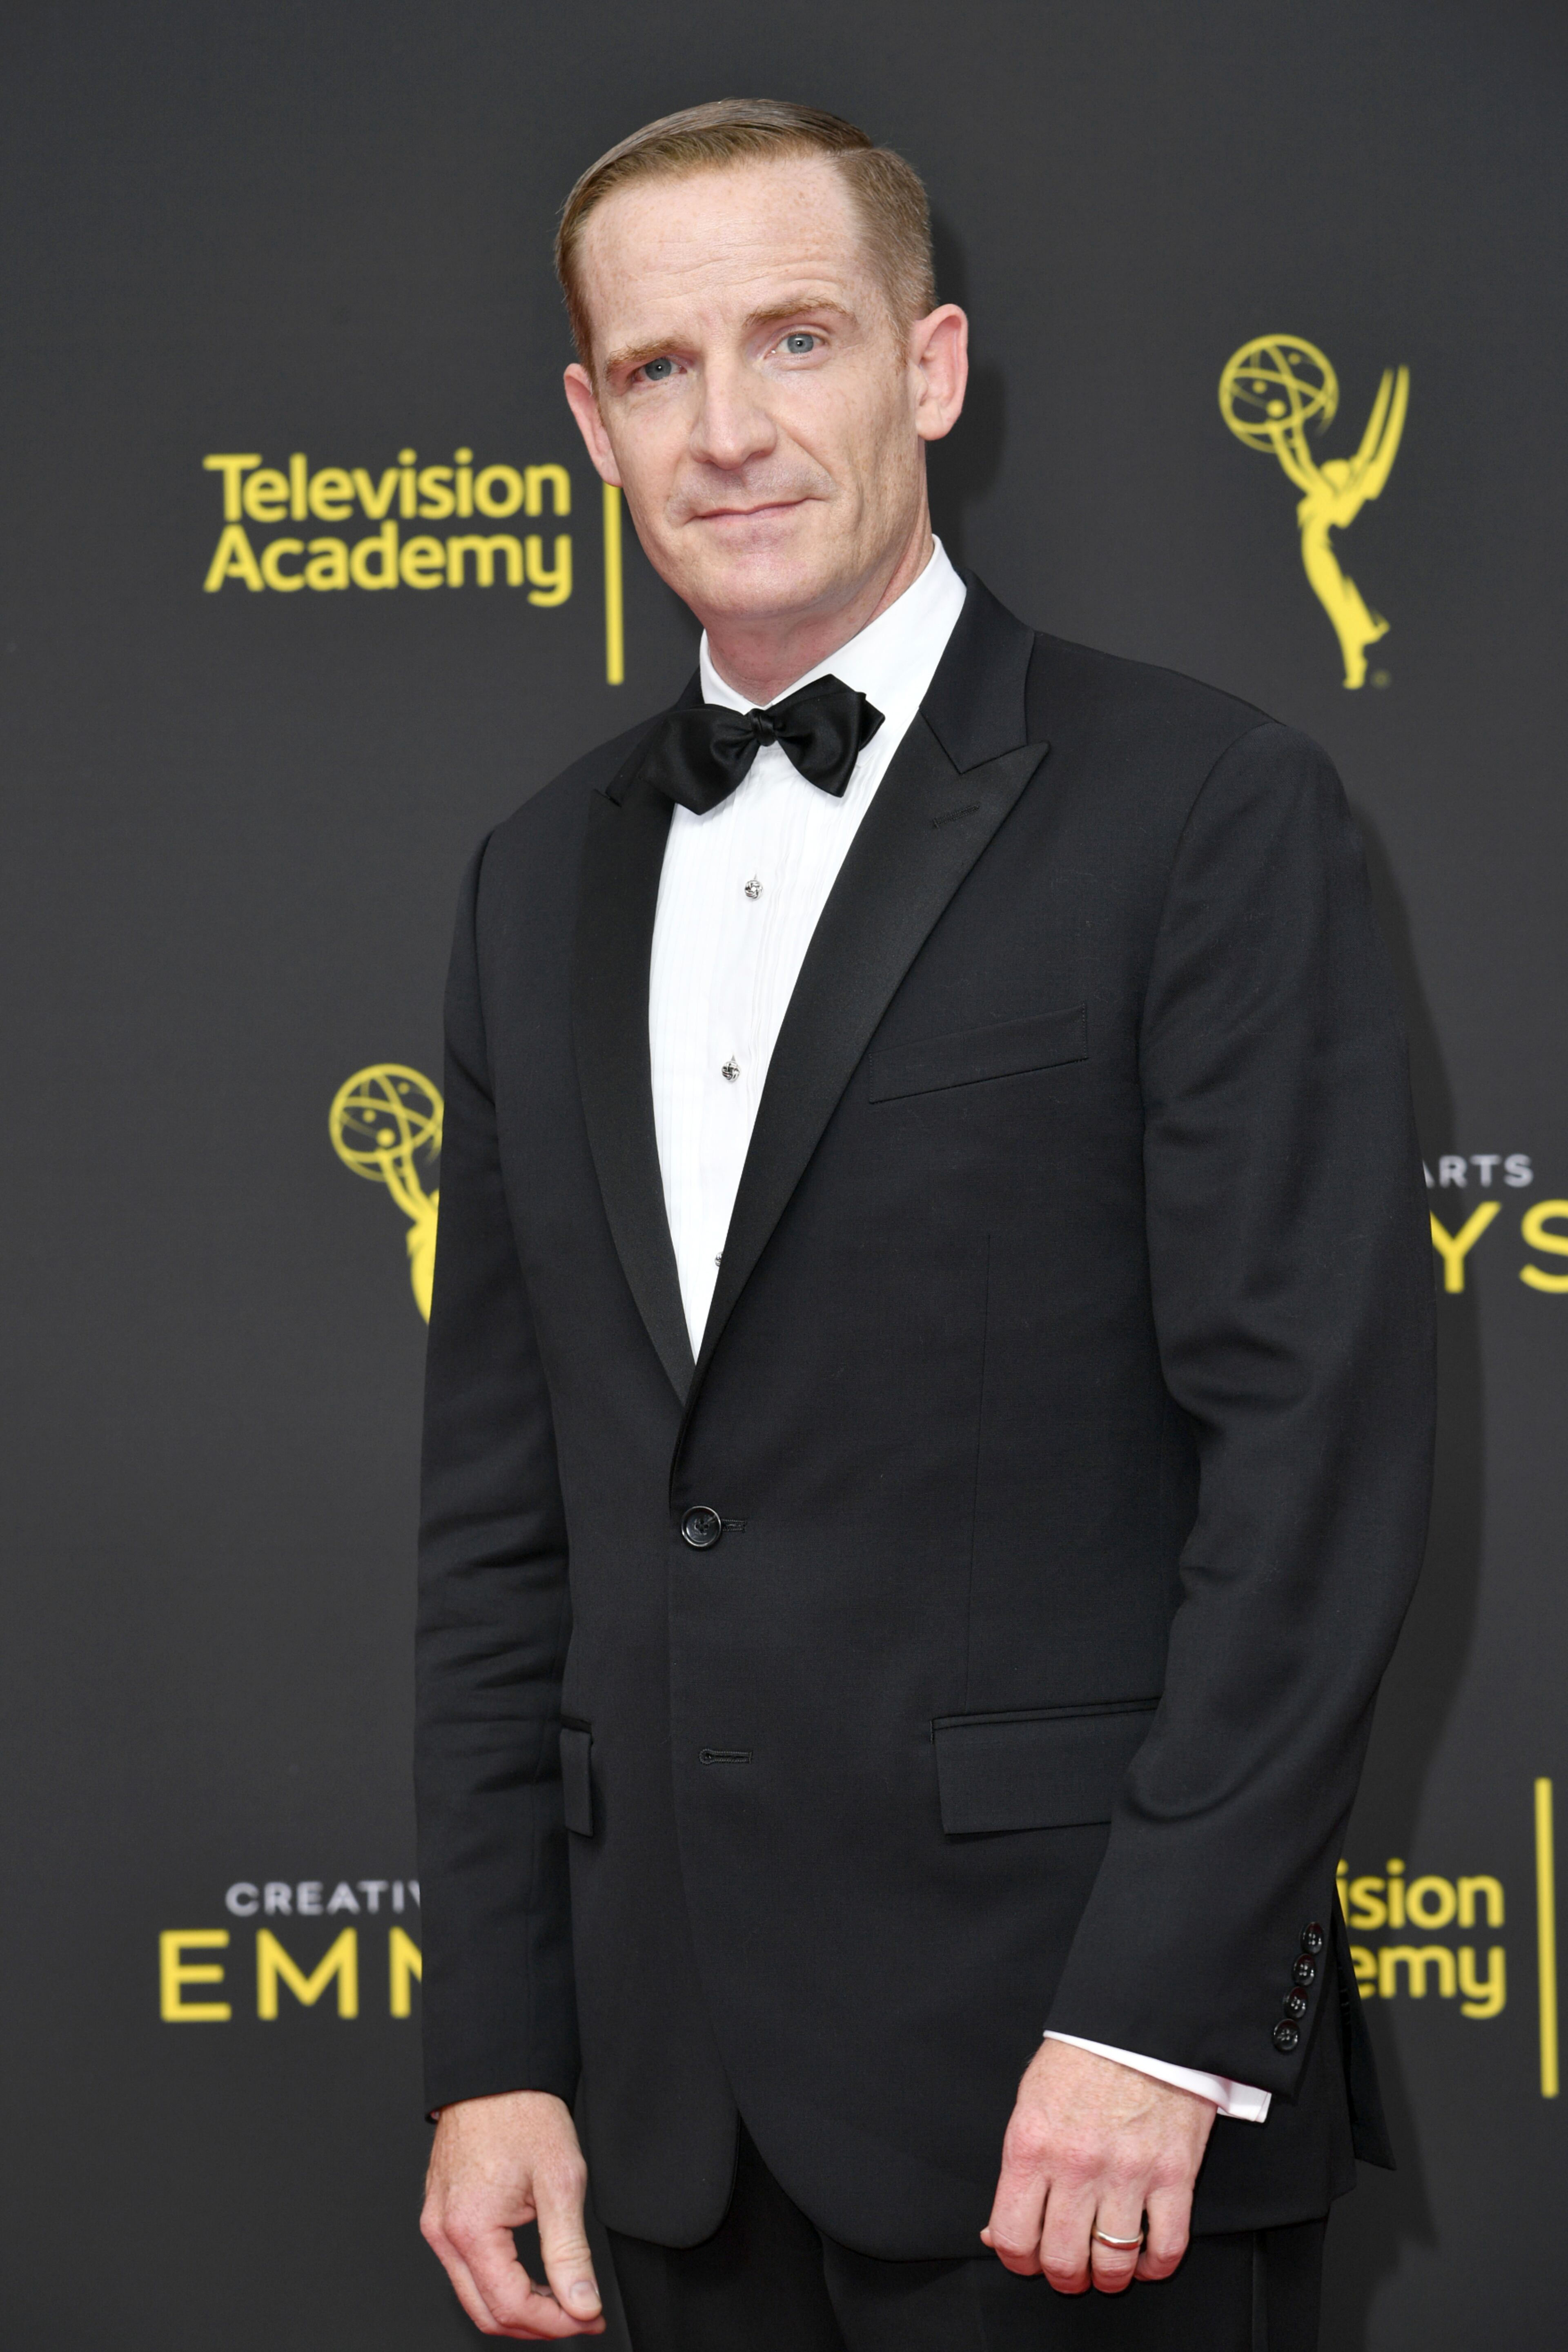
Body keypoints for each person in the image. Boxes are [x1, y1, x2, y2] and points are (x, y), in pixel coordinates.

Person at [414, 98, 1434, 2351]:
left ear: (933, 366)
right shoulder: (531, 883)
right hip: (655, 2139)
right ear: (589, 423)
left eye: (798, 338)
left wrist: (1162, 2028)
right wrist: (496, 2043)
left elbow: (1312, 1466)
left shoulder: (1207, 809)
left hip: (1073, 2116)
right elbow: (506, 1528)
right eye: (662, 371)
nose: (735, 428)